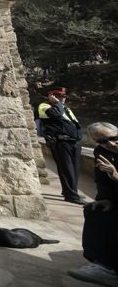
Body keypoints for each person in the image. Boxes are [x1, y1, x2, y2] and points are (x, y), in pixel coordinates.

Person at [67, 122, 118, 286]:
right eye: (102, 141)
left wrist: (116, 175)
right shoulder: (101, 152)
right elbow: (101, 181)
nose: (110, 144)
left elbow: (112, 176)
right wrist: (107, 198)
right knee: (95, 211)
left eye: (114, 138)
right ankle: (101, 264)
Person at [38, 87, 85, 204]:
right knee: (66, 168)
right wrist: (56, 103)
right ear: (51, 96)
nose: (63, 98)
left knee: (74, 168)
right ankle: (71, 196)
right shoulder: (44, 106)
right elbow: (56, 114)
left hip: (73, 142)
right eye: (59, 96)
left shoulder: (65, 108)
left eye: (64, 96)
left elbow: (74, 122)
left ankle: (70, 191)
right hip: (61, 142)